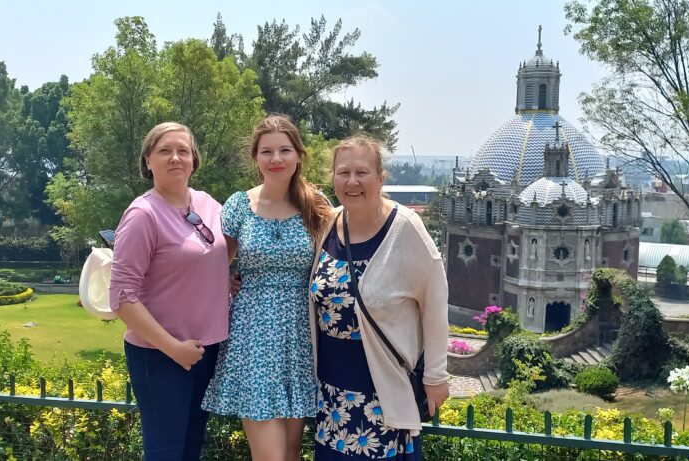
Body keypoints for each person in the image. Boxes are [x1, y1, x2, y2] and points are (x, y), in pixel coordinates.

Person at [310, 135, 449, 460]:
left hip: (383, 393)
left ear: (380, 177)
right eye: (343, 173)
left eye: (362, 172)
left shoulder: (405, 229)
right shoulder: (330, 224)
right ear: (333, 177)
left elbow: (435, 302)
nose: (352, 181)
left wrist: (436, 376)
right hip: (330, 397)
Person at [202, 115, 331, 461]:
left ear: (299, 155)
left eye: (284, 150)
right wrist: (228, 285)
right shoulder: (239, 206)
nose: (276, 159)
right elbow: (213, 267)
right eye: (267, 151)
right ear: (255, 157)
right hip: (253, 340)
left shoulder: (316, 207)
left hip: (301, 340)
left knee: (291, 454)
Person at [109, 122, 231, 460]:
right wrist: (173, 348)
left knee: (191, 449)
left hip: (205, 351)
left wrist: (226, 280)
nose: (175, 158)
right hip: (160, 356)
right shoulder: (142, 215)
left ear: (194, 159)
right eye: (165, 151)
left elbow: (218, 255)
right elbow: (121, 296)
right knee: (165, 453)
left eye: (183, 150)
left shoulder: (208, 204)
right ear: (148, 161)